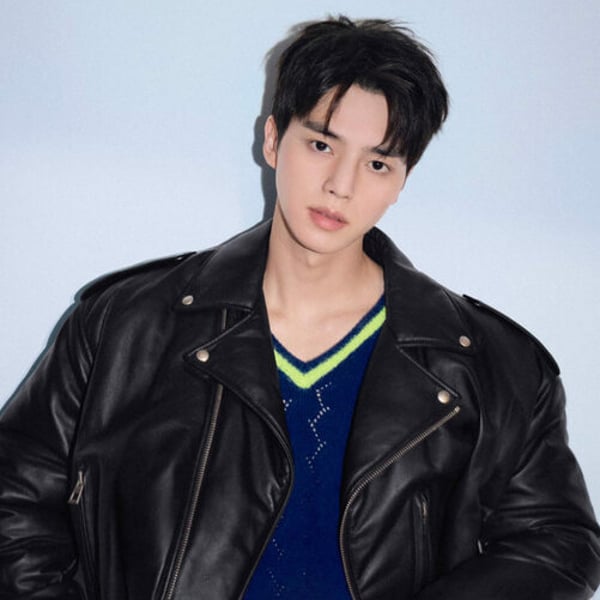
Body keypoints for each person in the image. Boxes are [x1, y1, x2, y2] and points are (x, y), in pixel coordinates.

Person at [0, 15, 598, 600]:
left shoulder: (493, 366)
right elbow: (15, 498)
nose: (341, 184)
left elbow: (559, 545)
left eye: (377, 163)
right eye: (320, 144)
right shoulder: (128, 324)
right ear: (271, 140)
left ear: (402, 180)